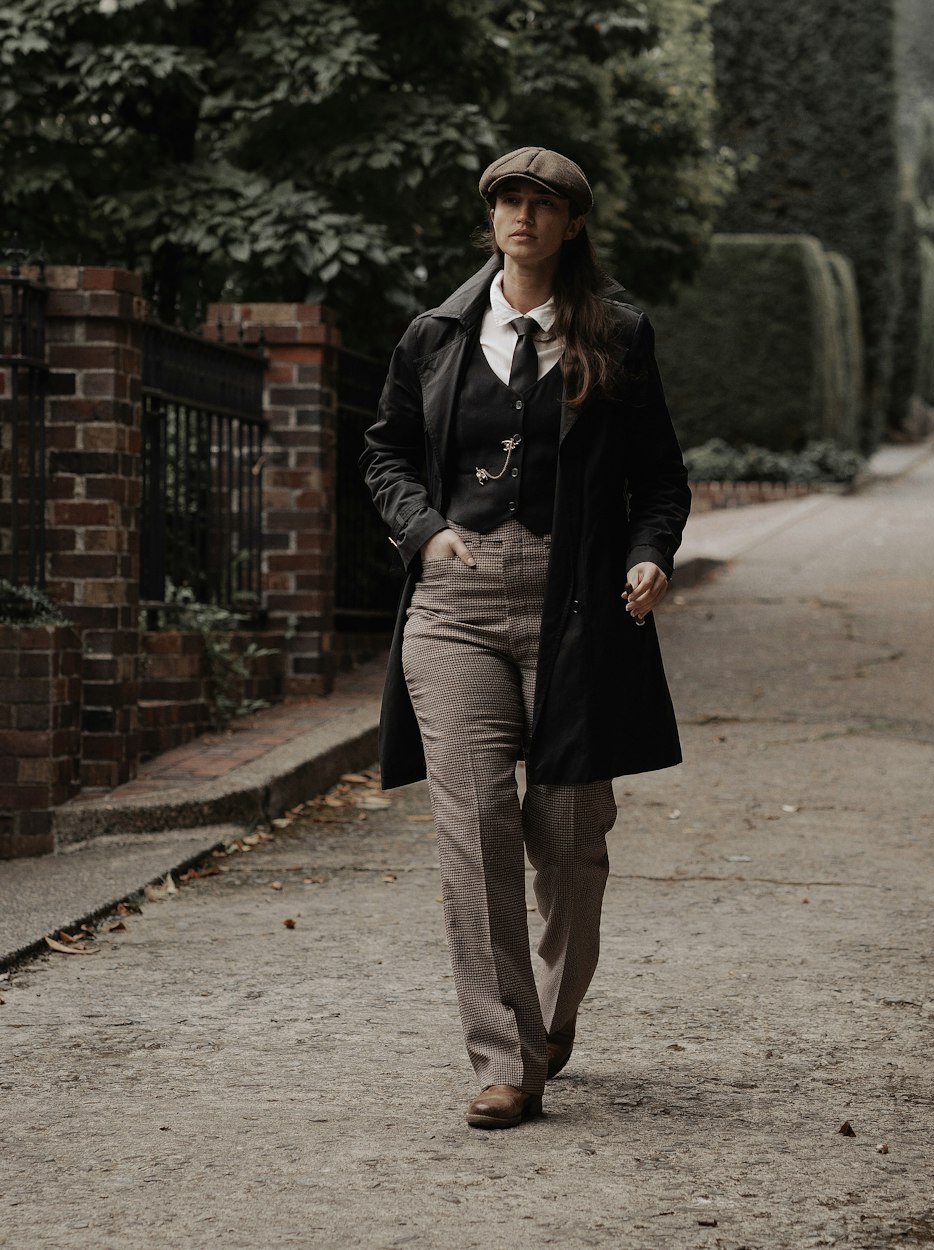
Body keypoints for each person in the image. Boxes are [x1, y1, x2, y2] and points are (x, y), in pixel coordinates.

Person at [360, 146, 690, 1130]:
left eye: (543, 204)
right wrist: (424, 529)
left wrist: (648, 553)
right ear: (491, 216)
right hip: (454, 605)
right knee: (476, 834)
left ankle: (552, 1009)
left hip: (576, 606)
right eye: (508, 199)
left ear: (572, 224)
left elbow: (660, 479)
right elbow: (382, 452)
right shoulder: (435, 336)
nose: (523, 215)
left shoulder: (618, 336)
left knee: (571, 837)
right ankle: (505, 1056)